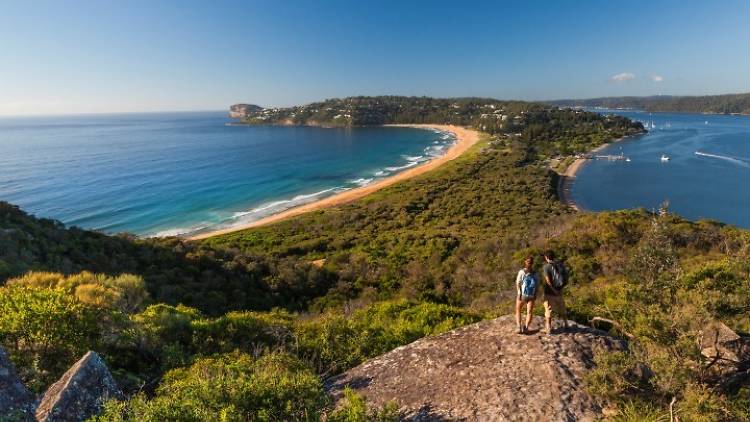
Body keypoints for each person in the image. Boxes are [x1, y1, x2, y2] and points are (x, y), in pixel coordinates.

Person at [542, 250, 569, 334]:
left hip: (549, 292)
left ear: (546, 257)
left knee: (548, 310)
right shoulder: (560, 265)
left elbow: (548, 281)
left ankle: (548, 328)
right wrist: (559, 289)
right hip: (559, 291)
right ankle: (566, 324)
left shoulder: (546, 267)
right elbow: (566, 278)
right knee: (562, 308)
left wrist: (553, 290)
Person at [515, 256, 538, 334]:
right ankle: (526, 327)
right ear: (532, 263)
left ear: (525, 262)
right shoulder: (535, 273)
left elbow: (518, 283)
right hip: (531, 295)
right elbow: (537, 285)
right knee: (529, 312)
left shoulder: (522, 272)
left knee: (518, 309)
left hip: (523, 294)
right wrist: (535, 294)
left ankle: (519, 327)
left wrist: (519, 293)